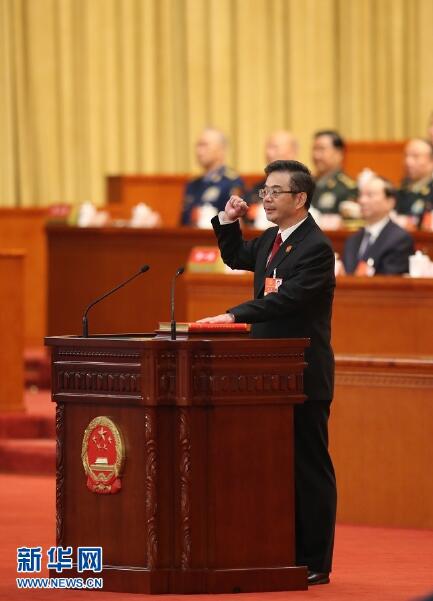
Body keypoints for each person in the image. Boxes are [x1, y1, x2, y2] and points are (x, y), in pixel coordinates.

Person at [198, 159, 337, 586]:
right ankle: (280, 550)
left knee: (308, 468)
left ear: (300, 198)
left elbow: (287, 300)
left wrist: (233, 315)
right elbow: (236, 256)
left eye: (276, 191)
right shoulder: (272, 239)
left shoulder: (316, 247)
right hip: (268, 372)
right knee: (273, 466)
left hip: (303, 373)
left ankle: (315, 560)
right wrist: (228, 221)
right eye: (264, 191)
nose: (267, 198)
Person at [343, 176, 415, 275]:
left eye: (370, 195)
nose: (362, 200)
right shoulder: (352, 239)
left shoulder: (400, 239)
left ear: (390, 202)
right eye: (360, 195)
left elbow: (390, 279)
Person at [180, 128, 244, 226]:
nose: (198, 151)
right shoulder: (193, 183)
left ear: (220, 150)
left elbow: (236, 222)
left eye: (204, 145)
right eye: (198, 145)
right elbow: (183, 222)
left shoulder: (231, 182)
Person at [246, 130, 299, 211]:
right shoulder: (258, 187)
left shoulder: (305, 187)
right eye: (267, 147)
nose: (268, 153)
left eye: (274, 147)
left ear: (291, 153)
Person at [311, 130, 357, 214]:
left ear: (338, 154)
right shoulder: (306, 183)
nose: (316, 155)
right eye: (314, 149)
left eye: (321, 149)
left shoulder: (347, 188)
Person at [395, 138, 433, 224]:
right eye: (406, 156)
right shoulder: (402, 188)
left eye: (415, 156)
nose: (407, 162)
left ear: (431, 161)